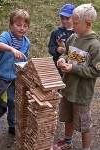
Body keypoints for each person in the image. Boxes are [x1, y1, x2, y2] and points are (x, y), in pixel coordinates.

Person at [50, 3, 100, 150]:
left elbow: (96, 71)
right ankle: (67, 142)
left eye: (76, 23)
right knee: (68, 117)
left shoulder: (95, 46)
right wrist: (62, 59)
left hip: (82, 93)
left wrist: (74, 68)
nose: (72, 25)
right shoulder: (73, 37)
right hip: (68, 88)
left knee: (84, 124)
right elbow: (66, 53)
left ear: (88, 24)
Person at [0, 9, 30, 148]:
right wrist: (11, 49)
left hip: (15, 80)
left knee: (14, 104)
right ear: (11, 25)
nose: (22, 28)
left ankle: (12, 126)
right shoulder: (6, 37)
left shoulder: (26, 42)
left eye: (25, 25)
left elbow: (24, 59)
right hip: (0, 80)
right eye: (18, 25)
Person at [48, 4, 75, 76]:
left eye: (67, 18)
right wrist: (56, 50)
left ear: (74, 17)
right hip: (58, 67)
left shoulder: (77, 32)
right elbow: (50, 47)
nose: (64, 21)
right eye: (62, 18)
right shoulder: (56, 32)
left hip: (72, 67)